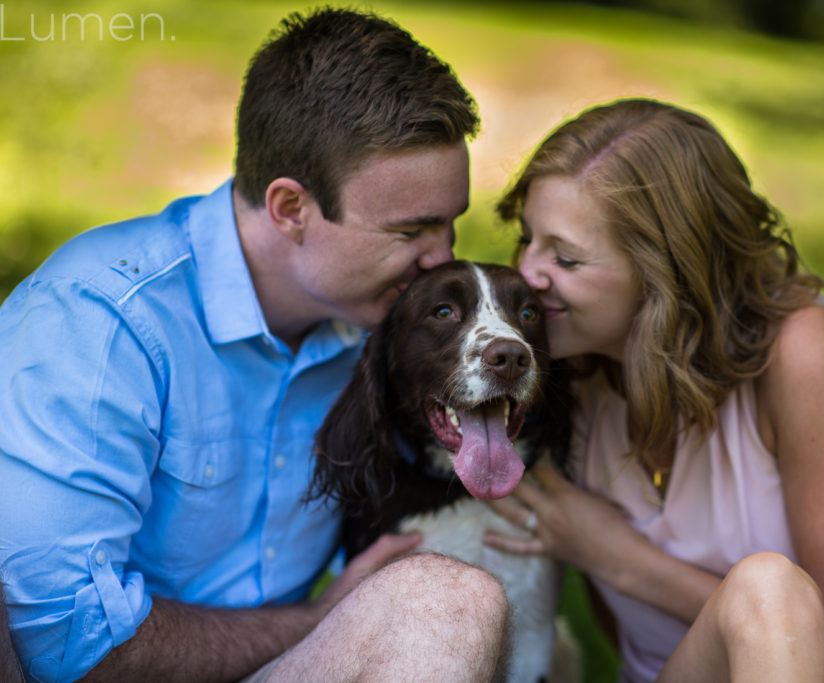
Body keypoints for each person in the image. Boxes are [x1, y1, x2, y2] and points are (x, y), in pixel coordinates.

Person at [0, 8, 512, 682]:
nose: (439, 258)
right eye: (411, 230)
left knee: (451, 602)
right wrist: (323, 616)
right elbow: (70, 649)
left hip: (289, 666)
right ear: (291, 208)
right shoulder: (100, 322)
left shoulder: (386, 323)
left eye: (450, 224)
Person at [486, 98, 824, 682]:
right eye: (527, 237)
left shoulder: (800, 350)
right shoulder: (560, 370)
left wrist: (620, 559)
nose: (525, 273)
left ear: (665, 274)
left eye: (564, 257)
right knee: (765, 591)